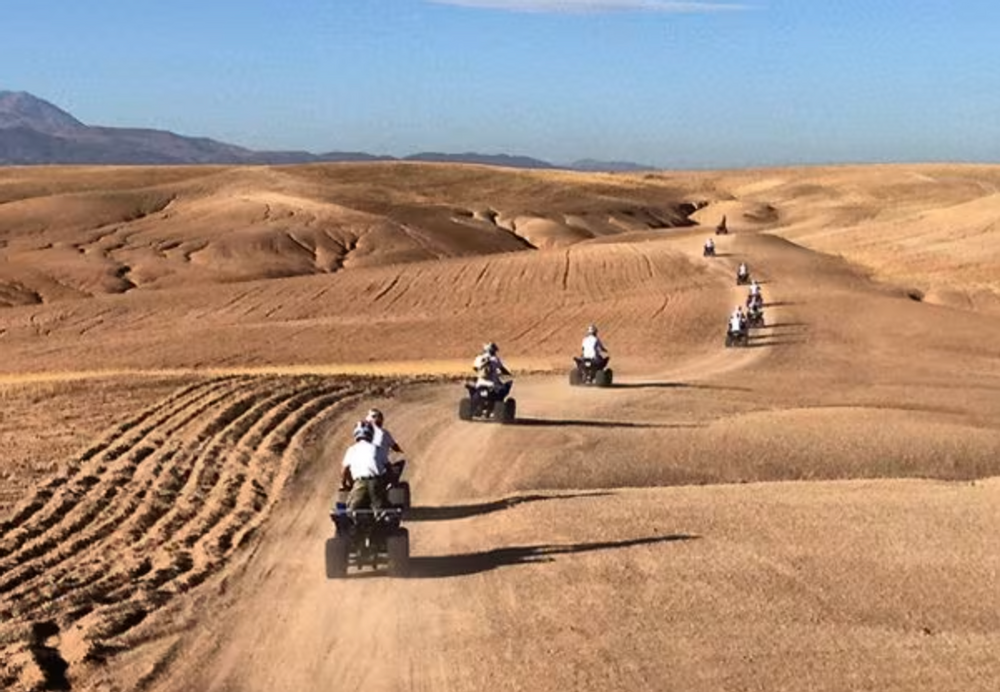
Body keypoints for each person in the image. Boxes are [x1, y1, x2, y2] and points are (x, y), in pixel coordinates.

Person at [340, 420, 386, 513]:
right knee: (383, 510)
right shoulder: (377, 449)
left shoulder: (351, 450)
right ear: (371, 434)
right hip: (376, 484)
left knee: (351, 511)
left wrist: (345, 484)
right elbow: (388, 468)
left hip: (359, 484)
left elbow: (344, 471)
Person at [365, 408, 403, 477]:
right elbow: (395, 447)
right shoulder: (383, 433)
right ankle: (392, 484)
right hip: (381, 468)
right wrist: (401, 451)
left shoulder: (364, 435)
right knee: (398, 467)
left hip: (362, 469)